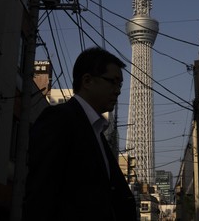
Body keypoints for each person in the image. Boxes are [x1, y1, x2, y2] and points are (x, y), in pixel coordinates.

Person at [22, 47, 137, 221]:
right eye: (112, 82)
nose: (118, 90)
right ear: (87, 81)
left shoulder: (96, 131)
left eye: (120, 84)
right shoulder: (59, 120)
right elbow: (41, 192)